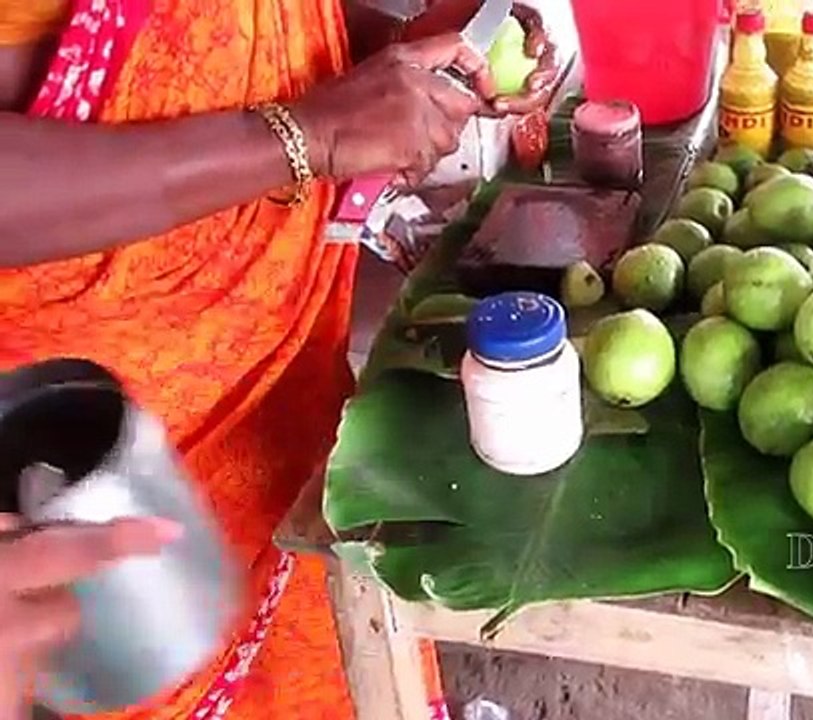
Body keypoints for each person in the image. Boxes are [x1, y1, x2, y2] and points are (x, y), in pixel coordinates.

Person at [0, 0, 554, 718]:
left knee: (328, 667)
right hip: (95, 452)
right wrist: (301, 135)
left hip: (282, 411)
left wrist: (393, 65)